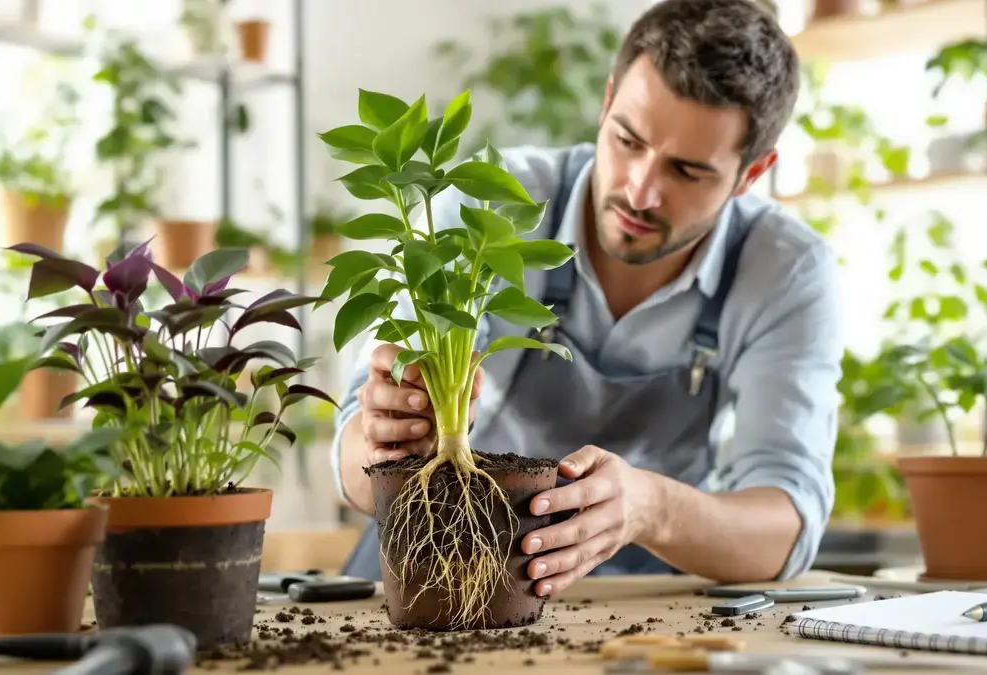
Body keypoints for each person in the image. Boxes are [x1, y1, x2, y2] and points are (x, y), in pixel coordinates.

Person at [331, 0, 843, 597]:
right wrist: (391, 445)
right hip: (432, 577)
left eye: (687, 171)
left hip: (634, 608)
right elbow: (351, 466)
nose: (639, 190)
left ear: (752, 174)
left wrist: (650, 507)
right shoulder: (489, 204)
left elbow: (787, 523)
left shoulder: (783, 270)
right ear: (605, 105)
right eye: (627, 140)